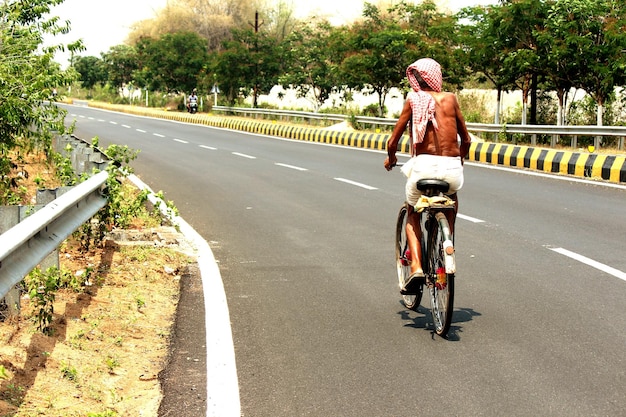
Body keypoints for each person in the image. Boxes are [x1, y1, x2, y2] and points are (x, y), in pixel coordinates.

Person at [384, 58, 471, 294]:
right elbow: (467, 140)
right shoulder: (451, 99)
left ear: (416, 80)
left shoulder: (414, 100)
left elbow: (393, 141)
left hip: (423, 168)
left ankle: (417, 267)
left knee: (412, 212)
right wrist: (458, 160)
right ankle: (447, 242)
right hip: (452, 170)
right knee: (451, 202)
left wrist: (391, 158)